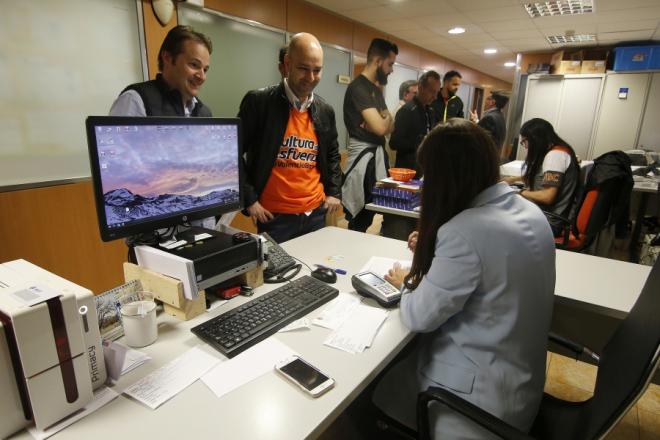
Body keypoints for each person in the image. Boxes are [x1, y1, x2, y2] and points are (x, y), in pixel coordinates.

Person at [372, 119, 556, 440]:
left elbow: (419, 316)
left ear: (447, 175)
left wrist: (406, 280)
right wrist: (437, 246)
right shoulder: (529, 212)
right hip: (519, 388)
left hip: (477, 408)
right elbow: (487, 263)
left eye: (429, 173)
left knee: (372, 390)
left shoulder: (465, 232)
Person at [238, 33, 342, 243]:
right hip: (275, 219)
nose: (311, 78)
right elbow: (231, 153)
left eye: (317, 70)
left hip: (315, 214)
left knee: (315, 271)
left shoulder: (325, 110)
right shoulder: (258, 103)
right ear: (287, 64)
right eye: (303, 68)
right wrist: (249, 201)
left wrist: (334, 192)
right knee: (278, 275)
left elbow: (331, 154)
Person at [342, 38, 398, 232]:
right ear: (377, 61)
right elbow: (383, 128)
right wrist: (381, 122)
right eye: (390, 64)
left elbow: (390, 125)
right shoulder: (358, 88)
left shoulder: (375, 90)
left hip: (377, 158)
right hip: (363, 161)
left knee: (375, 213)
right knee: (359, 220)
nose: (391, 70)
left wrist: (379, 122)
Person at [109, 25, 212, 117]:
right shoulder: (135, 100)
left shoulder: (205, 113)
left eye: (205, 69)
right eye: (194, 65)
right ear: (167, 57)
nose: (202, 77)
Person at [514, 118, 580, 236]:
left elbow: (547, 196)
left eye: (524, 141)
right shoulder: (558, 151)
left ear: (535, 139)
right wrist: (512, 180)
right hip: (546, 217)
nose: (525, 146)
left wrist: (519, 192)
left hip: (549, 222)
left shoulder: (555, 156)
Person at [389, 70, 441, 175]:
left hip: (424, 168)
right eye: (432, 91)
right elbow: (394, 143)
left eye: (437, 93)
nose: (435, 97)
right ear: (421, 88)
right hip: (407, 171)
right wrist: (420, 141)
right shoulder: (407, 110)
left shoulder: (430, 111)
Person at [477, 91, 509, 160]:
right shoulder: (500, 116)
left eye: (487, 98)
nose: (485, 101)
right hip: (494, 157)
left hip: (485, 157)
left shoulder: (489, 117)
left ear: (492, 102)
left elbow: (481, 139)